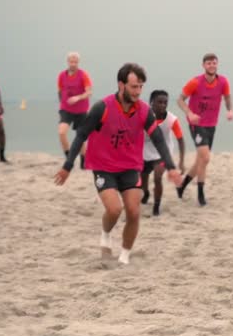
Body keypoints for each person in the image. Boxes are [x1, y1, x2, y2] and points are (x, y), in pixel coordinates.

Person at [54, 63, 182, 266]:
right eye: (134, 87)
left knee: (133, 211)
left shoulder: (143, 111)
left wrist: (172, 167)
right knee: (114, 210)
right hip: (103, 166)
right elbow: (81, 135)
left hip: (130, 166)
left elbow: (158, 139)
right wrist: (68, 165)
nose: (138, 92)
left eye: (141, 86)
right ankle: (105, 235)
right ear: (121, 85)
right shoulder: (102, 108)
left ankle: (124, 254)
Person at [176, 53, 233, 206]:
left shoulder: (223, 81)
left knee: (200, 160)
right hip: (197, 124)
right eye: (209, 63)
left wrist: (229, 110)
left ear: (217, 64)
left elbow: (227, 98)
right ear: (203, 65)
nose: (212, 66)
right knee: (206, 158)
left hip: (211, 124)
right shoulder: (195, 82)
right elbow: (180, 99)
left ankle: (182, 185)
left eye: (214, 63)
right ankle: (201, 194)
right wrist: (189, 113)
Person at [141, 90, 186, 216]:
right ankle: (146, 193)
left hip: (162, 154)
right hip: (145, 153)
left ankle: (156, 206)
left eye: (165, 103)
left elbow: (181, 140)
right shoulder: (143, 117)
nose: (162, 105)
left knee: (157, 176)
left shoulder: (171, 119)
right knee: (142, 180)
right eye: (159, 102)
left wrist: (181, 162)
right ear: (151, 103)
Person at [58, 52, 93, 169]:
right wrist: (62, 102)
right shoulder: (62, 76)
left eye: (75, 62)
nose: (73, 64)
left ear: (78, 63)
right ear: (67, 62)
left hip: (81, 110)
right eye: (71, 61)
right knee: (62, 132)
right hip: (66, 109)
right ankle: (69, 157)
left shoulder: (83, 75)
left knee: (81, 137)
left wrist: (77, 97)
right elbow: (60, 91)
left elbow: (89, 92)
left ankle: (83, 160)